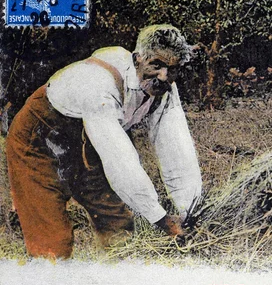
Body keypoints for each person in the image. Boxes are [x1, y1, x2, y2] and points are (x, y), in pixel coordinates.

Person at [6, 24, 203, 259]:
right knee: (52, 242)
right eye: (156, 65)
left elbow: (176, 149)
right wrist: (161, 219)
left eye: (172, 69)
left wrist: (189, 211)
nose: (164, 76)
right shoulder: (99, 84)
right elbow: (120, 161)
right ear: (137, 59)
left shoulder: (165, 88)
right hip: (39, 142)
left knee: (118, 224)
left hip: (88, 145)